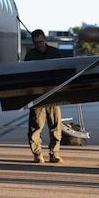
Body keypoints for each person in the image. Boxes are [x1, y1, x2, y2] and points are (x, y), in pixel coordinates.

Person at [25, 29, 63, 163]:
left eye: (41, 42)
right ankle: (37, 154)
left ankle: (54, 154)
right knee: (36, 126)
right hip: (37, 96)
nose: (39, 45)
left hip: (53, 94)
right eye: (36, 43)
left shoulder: (55, 53)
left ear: (45, 39)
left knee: (55, 126)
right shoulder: (30, 56)